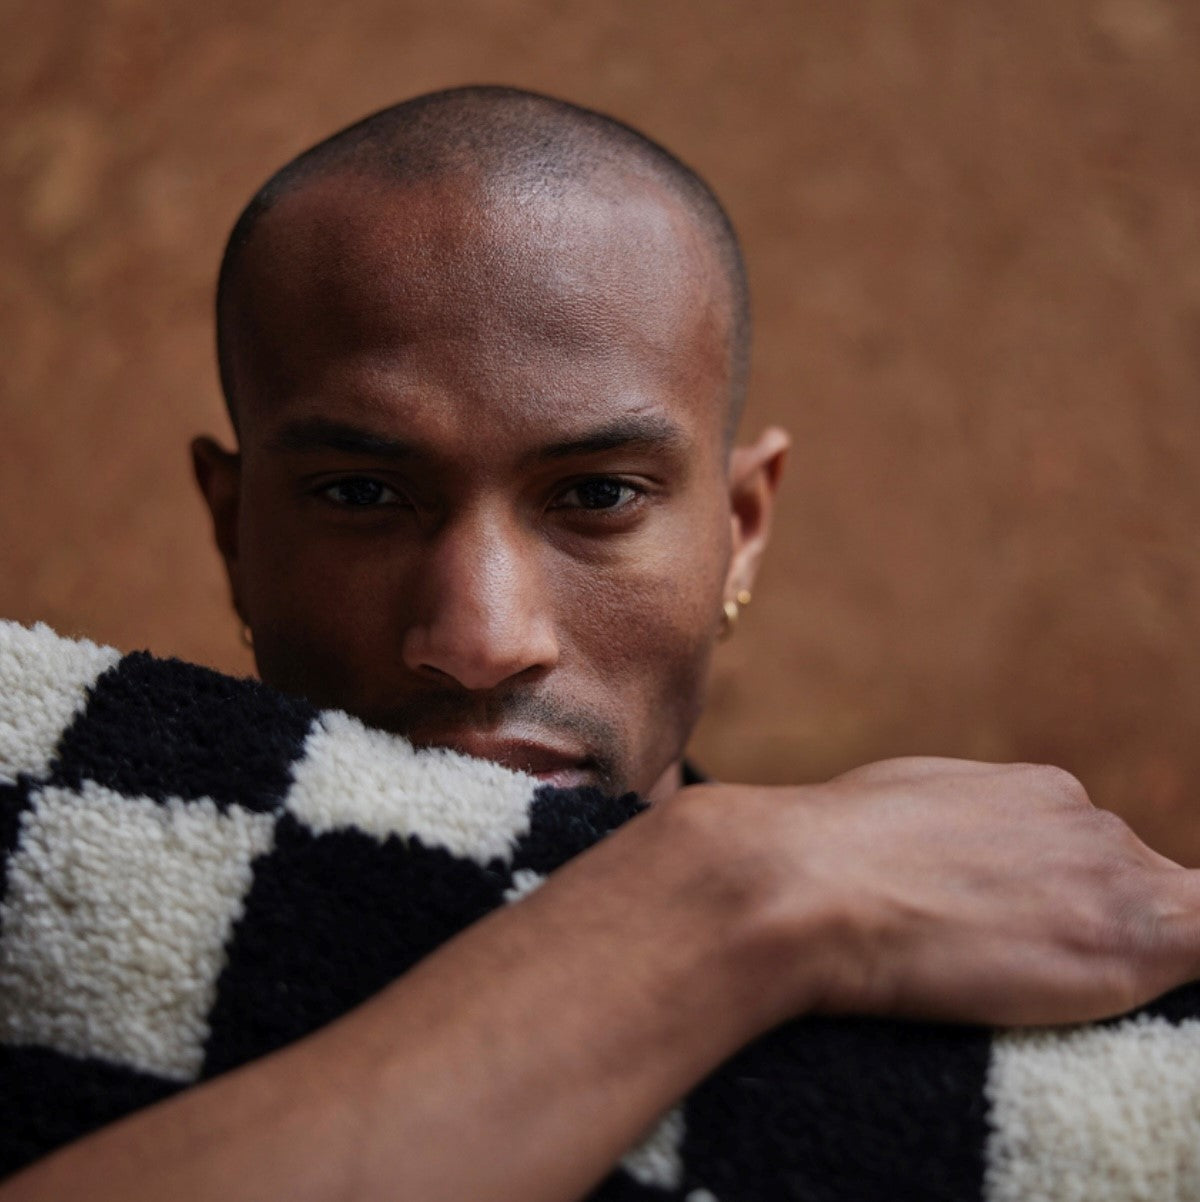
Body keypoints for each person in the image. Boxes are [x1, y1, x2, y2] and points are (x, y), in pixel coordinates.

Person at [6, 85, 1200, 1202]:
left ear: (740, 530)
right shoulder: (51, 871)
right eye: (362, 495)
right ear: (233, 529)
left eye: (597, 495)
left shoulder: (1013, 1012)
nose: (482, 638)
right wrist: (724, 892)